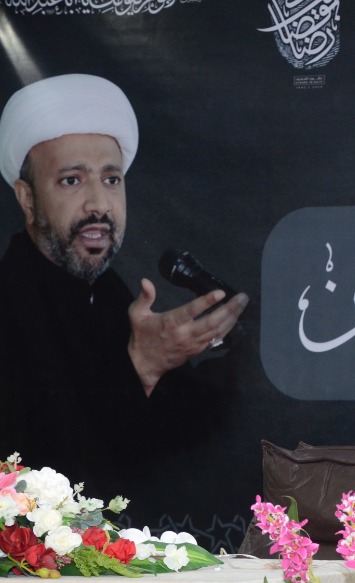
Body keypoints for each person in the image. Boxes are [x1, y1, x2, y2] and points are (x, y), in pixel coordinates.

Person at [0, 74, 249, 500]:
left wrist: (249, 353)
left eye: (111, 180)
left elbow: (179, 436)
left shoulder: (109, 294)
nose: (99, 204)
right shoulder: (9, 303)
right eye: (72, 180)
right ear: (27, 199)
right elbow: (37, 473)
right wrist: (141, 366)